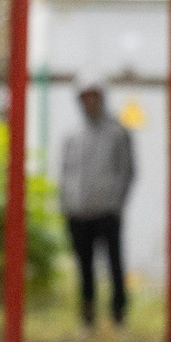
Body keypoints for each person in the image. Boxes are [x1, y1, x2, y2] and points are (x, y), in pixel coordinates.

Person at [59, 83, 135, 328]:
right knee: (84, 267)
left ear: (101, 98)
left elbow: (127, 171)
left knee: (114, 263)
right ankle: (87, 316)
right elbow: (66, 173)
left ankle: (118, 315)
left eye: (94, 96)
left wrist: (116, 204)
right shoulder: (73, 135)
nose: (90, 102)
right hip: (78, 213)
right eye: (85, 97)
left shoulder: (117, 132)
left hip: (107, 212)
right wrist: (67, 204)